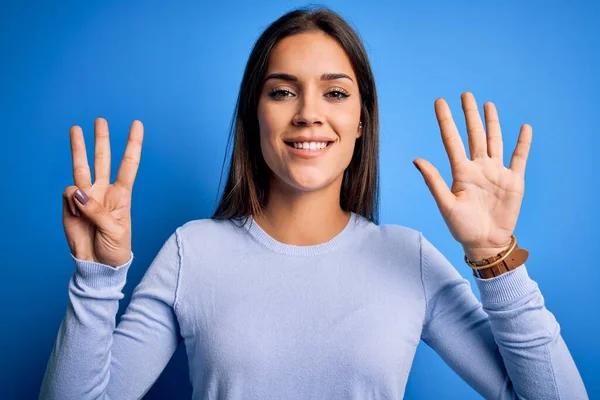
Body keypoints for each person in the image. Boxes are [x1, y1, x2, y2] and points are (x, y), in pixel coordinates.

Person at [40, 6, 588, 400]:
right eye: (282, 91)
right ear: (255, 116)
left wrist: (497, 257)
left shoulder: (408, 257)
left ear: (359, 123)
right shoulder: (194, 252)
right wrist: (97, 276)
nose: (307, 113)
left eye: (335, 92)